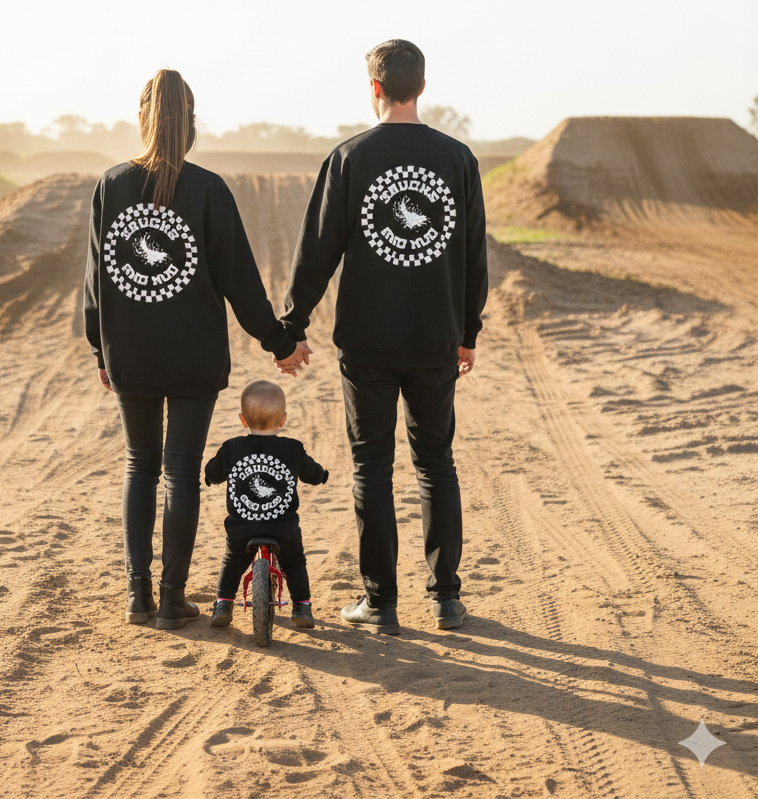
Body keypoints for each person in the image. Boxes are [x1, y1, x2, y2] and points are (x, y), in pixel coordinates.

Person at [84, 69, 310, 630]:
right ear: (190, 124)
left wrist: (101, 351)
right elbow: (240, 281)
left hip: (131, 353)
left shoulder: (111, 185)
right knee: (180, 471)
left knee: (141, 466)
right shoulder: (208, 189)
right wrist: (280, 342)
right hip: (193, 356)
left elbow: (96, 281)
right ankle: (170, 599)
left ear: (143, 119)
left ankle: (138, 598)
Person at [275, 39, 488, 634]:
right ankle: (446, 599)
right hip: (434, 342)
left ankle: (381, 602)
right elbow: (474, 255)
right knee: (436, 465)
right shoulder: (458, 159)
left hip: (366, 344)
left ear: (373, 88)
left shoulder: (349, 158)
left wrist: (292, 329)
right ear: (422, 87)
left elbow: (315, 252)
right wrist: (466, 330)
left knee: (372, 467)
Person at [204, 380, 328, 630]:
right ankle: (302, 605)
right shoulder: (292, 448)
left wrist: (210, 476)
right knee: (294, 563)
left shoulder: (232, 448)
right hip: (283, 528)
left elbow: (213, 472)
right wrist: (321, 475)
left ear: (242, 419)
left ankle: (223, 604)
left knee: (231, 562)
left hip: (242, 527)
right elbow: (311, 473)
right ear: (283, 420)